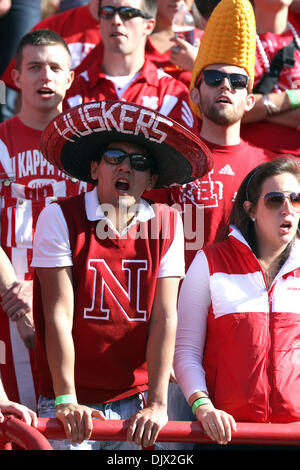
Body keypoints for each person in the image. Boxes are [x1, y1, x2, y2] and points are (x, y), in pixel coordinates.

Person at [31, 99, 211, 450]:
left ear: (152, 179)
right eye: (114, 158)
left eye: (139, 163)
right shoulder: (59, 217)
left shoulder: (168, 223)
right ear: (95, 168)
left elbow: (164, 317)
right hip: (67, 402)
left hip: (136, 405)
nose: (125, 168)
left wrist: (159, 404)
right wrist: (66, 399)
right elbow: (58, 316)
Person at [174, 156, 300, 446]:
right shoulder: (210, 261)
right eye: (274, 200)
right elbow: (185, 351)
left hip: (295, 434)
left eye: (297, 199)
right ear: (250, 209)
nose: (287, 209)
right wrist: (202, 406)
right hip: (226, 434)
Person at [0, 29, 88, 414]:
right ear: (16, 77)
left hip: (73, 304)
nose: (45, 76)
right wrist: (18, 298)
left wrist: (40, 293)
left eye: (55, 67)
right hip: (6, 301)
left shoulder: (89, 151)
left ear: (70, 78)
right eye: (34, 67)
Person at [64, 0, 197, 133]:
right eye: (107, 12)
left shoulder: (172, 94)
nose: (116, 20)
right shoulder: (72, 91)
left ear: (149, 26)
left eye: (128, 13)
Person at [240, 0, 300, 156]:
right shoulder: (234, 37)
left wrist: (258, 110)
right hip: (254, 161)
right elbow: (233, 109)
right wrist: (295, 97)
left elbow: (243, 110)